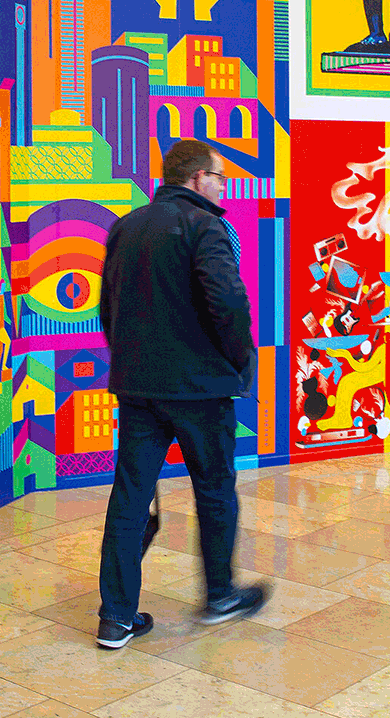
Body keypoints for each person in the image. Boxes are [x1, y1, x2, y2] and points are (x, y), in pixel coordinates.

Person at [96, 138, 265, 650]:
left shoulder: (126, 226)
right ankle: (220, 596)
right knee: (214, 489)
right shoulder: (206, 226)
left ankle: (115, 618)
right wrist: (240, 360)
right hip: (200, 390)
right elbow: (228, 302)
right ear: (197, 179)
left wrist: (129, 362)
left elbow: (108, 307)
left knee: (130, 497)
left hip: (138, 388)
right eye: (218, 176)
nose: (222, 185)